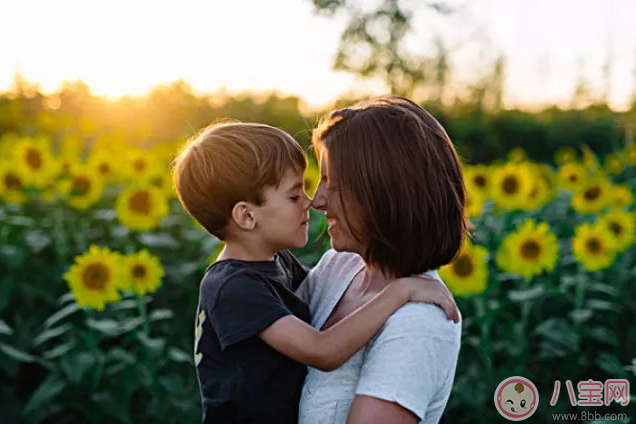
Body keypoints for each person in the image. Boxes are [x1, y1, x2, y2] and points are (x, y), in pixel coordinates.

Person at [171, 122, 460, 424]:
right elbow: (323, 351)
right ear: (246, 216)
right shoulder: (233, 286)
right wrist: (400, 292)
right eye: (294, 196)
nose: (312, 202)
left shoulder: (276, 263)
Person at [296, 96, 466, 424]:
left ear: (380, 191)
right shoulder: (338, 268)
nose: (316, 200)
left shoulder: (421, 322)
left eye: (330, 182)